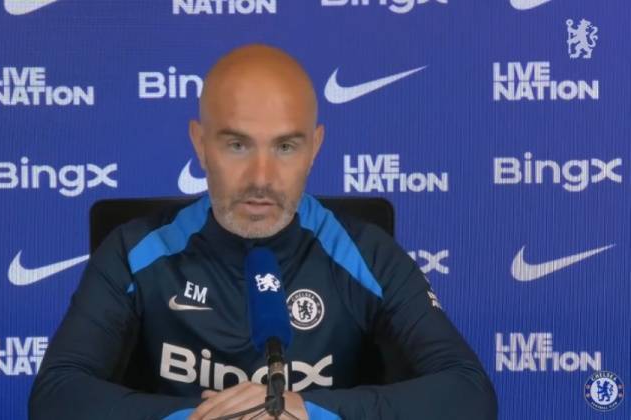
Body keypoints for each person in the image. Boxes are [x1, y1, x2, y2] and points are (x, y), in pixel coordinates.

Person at [29, 44, 498, 419]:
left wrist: (309, 412)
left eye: (286, 147)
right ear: (200, 144)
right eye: (237, 145)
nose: (261, 177)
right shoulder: (134, 251)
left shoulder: (366, 254)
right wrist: (201, 418)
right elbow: (55, 396)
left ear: (315, 148)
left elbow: (469, 393)